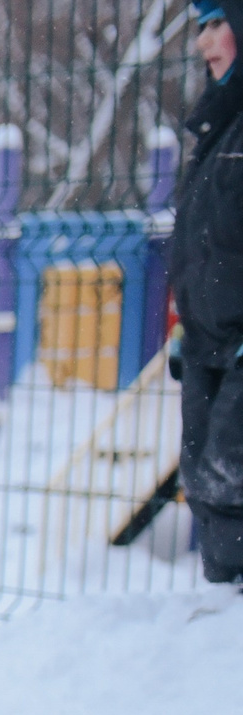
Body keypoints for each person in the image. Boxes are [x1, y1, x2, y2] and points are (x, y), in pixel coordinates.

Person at [173, 1, 243, 582]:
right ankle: (226, 616)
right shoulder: (216, 131)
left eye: (218, 25)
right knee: (205, 483)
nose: (204, 43)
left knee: (231, 469)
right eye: (200, 28)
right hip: (206, 348)